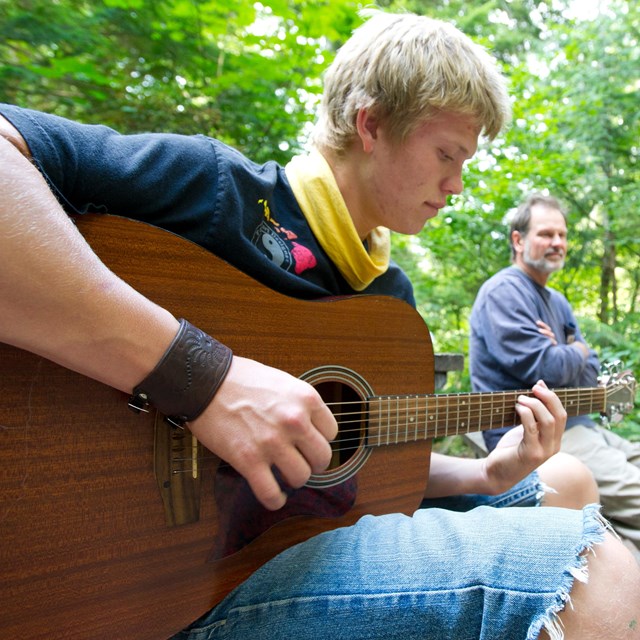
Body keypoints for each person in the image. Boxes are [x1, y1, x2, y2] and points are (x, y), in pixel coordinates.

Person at [1, 10, 638, 640]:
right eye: (448, 153)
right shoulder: (223, 192)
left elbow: (360, 464)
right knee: (597, 573)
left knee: (570, 478)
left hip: (298, 540)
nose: (458, 184)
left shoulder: (390, 298)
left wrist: (483, 475)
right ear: (372, 124)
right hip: (156, 590)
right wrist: (201, 378)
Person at [469, 192, 640, 551]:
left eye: (562, 235)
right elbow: (547, 367)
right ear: (518, 240)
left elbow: (589, 373)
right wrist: (573, 349)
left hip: (579, 425)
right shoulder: (503, 292)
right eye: (546, 234)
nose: (558, 243)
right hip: (530, 437)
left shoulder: (557, 301)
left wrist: (568, 352)